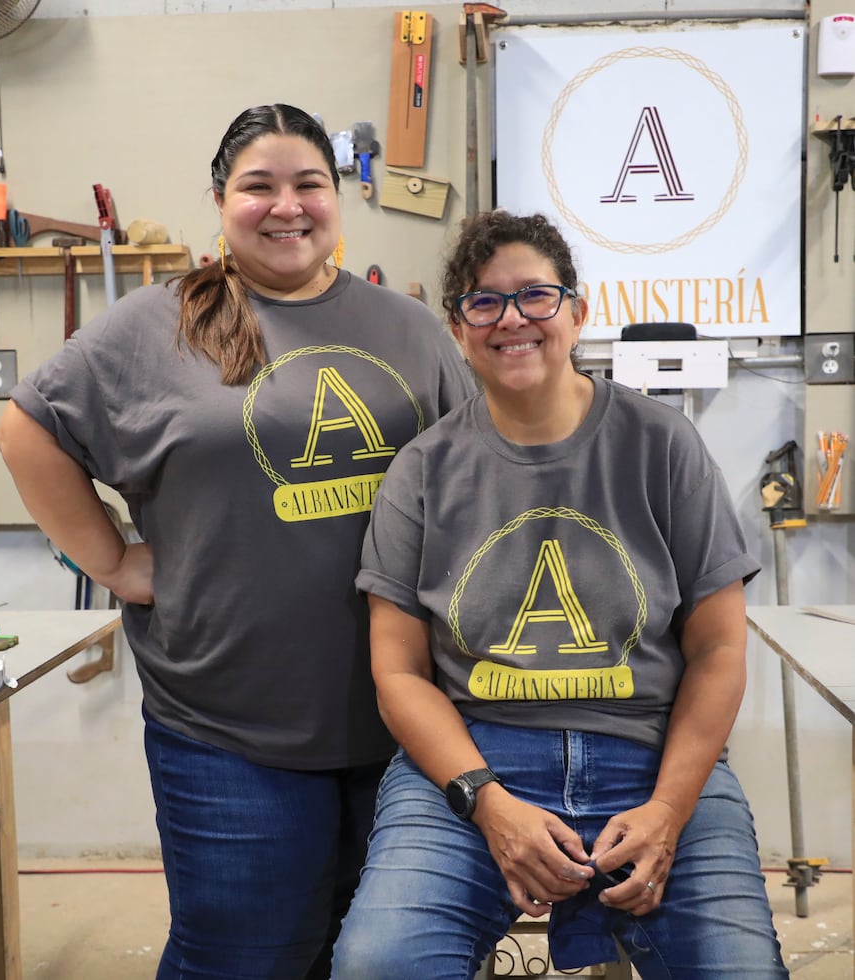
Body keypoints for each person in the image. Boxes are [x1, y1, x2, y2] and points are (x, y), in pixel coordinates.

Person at [0, 103, 473, 979]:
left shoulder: (406, 329)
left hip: (407, 719)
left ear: (339, 199)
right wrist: (109, 560)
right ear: (221, 200)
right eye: (259, 186)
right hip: (227, 724)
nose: (287, 206)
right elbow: (29, 430)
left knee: (375, 959)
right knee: (243, 960)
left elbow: (475, 480)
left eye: (309, 185)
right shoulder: (153, 325)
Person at [329, 210, 788, 979]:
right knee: (379, 966)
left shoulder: (662, 445)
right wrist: (488, 802)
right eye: (485, 301)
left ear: (579, 310)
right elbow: (399, 673)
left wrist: (670, 810)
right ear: (458, 326)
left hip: (648, 754)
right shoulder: (422, 471)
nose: (513, 319)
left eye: (536, 296)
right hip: (476, 759)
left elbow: (718, 648)